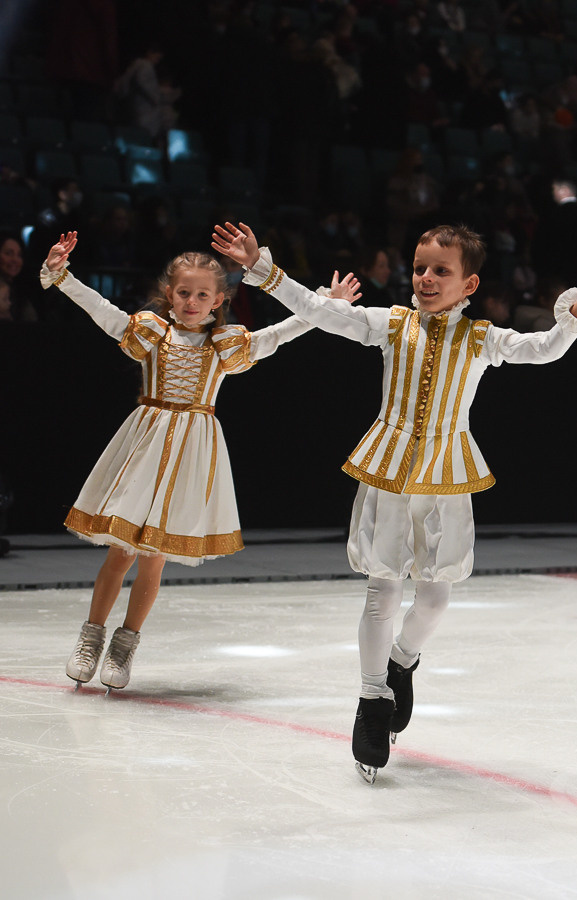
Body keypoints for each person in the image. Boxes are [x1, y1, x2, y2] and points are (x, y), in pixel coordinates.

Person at [212, 220, 577, 783]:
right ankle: (372, 700)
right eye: (419, 268)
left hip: (445, 473)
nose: (426, 278)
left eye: (442, 270)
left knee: (435, 599)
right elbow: (320, 311)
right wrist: (262, 270)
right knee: (382, 591)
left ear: (470, 284)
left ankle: (402, 661)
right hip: (389, 468)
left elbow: (544, 350)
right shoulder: (390, 324)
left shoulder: (482, 337)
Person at [41, 231, 361, 692]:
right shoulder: (152, 332)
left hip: (192, 450)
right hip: (146, 443)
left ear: (219, 300)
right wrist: (62, 276)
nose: (192, 302)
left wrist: (324, 305)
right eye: (184, 293)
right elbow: (104, 312)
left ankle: (124, 645)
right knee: (121, 549)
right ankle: (90, 638)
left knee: (154, 557)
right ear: (170, 294)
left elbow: (278, 334)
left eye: (202, 295)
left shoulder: (224, 344)